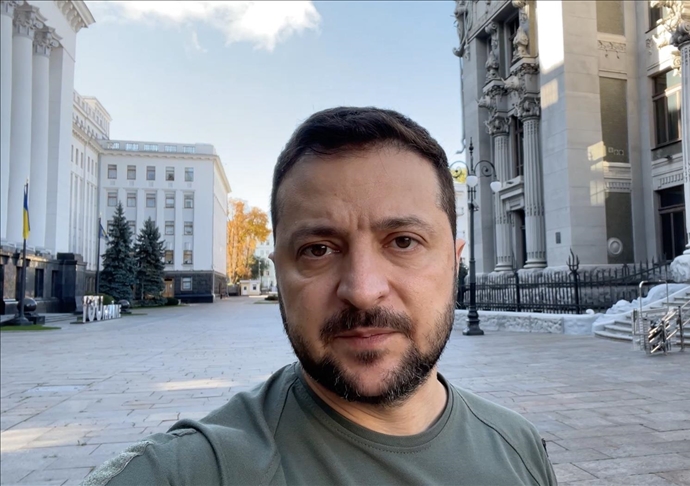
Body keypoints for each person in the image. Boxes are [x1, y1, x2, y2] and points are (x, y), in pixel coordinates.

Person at [83, 107, 558, 486]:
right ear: (280, 273)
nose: (362, 290)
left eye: (403, 241)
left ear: (454, 262)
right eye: (318, 250)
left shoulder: (518, 447)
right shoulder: (191, 471)